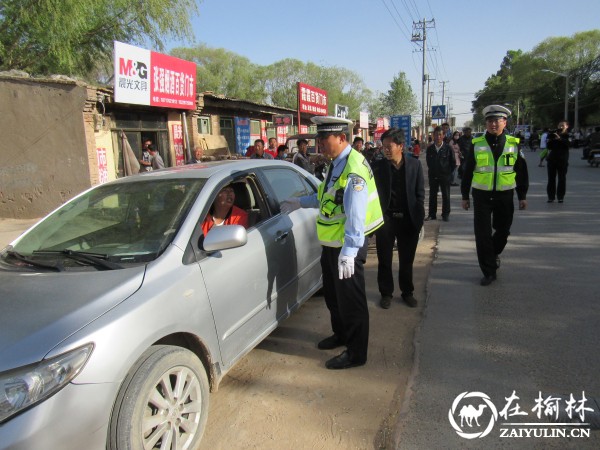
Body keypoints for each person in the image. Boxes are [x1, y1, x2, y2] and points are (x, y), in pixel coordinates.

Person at [280, 116, 383, 370]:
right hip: (331, 245)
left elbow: (356, 217)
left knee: (352, 301)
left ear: (342, 138)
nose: (321, 145)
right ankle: (341, 334)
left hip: (347, 247)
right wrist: (298, 203)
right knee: (334, 297)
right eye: (319, 140)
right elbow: (326, 198)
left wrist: (349, 252)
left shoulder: (353, 169)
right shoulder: (336, 164)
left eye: (325, 140)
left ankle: (357, 352)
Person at [461, 105, 528, 286]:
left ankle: (493, 252)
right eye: (490, 121)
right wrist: (464, 196)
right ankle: (489, 271)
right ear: (486, 123)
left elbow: (521, 171)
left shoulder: (514, 144)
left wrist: (522, 195)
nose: (493, 124)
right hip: (481, 196)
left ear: (504, 122)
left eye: (497, 120)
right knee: (482, 235)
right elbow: (467, 172)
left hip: (505, 195)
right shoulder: (477, 144)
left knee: (503, 231)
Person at [372, 128, 425, 309]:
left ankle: (407, 292)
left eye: (389, 146)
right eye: (383, 146)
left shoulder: (414, 165)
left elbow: (420, 194)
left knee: (406, 260)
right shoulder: (378, 167)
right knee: (384, 259)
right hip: (386, 219)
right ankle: (386, 293)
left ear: (401, 146)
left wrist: (418, 217)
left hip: (408, 219)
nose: (385, 149)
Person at [425, 126, 456, 221]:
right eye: (436, 135)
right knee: (432, 195)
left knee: (446, 195)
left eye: (440, 135)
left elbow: (453, 163)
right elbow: (428, 162)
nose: (438, 137)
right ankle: (432, 214)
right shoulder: (430, 148)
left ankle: (445, 214)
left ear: (443, 136)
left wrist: (448, 173)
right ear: (433, 136)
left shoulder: (448, 148)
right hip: (433, 175)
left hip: (445, 176)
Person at [546, 121, 570, 203]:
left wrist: (560, 139)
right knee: (551, 179)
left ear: (567, 126)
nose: (561, 127)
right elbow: (549, 147)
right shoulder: (553, 134)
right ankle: (551, 197)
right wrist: (551, 138)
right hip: (552, 160)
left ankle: (560, 197)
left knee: (562, 179)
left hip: (562, 160)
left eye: (563, 125)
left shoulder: (568, 135)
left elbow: (569, 144)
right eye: (560, 125)